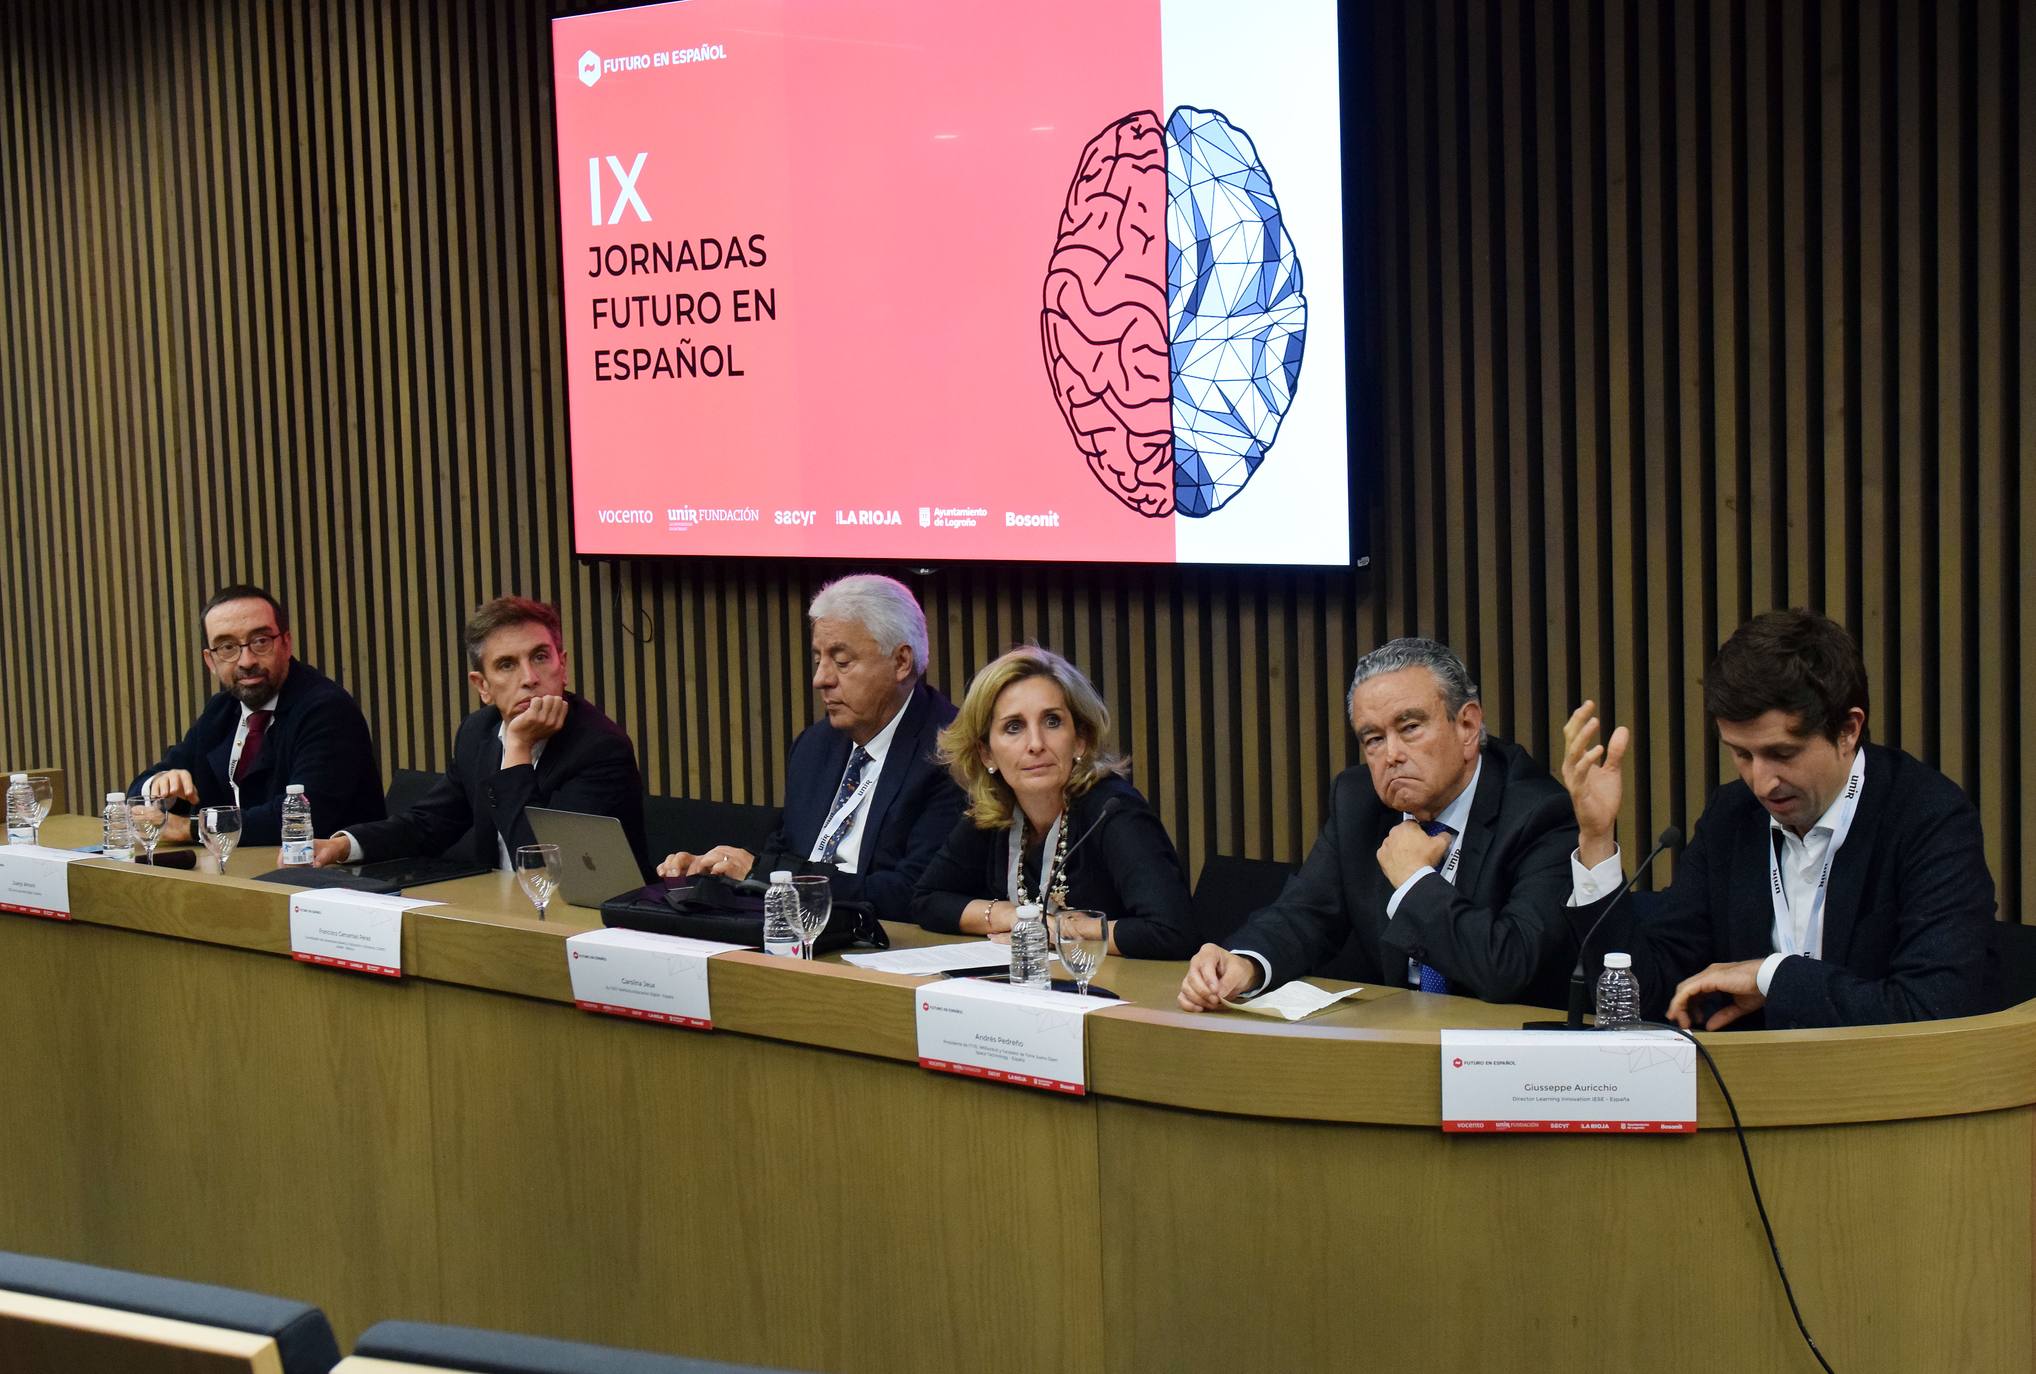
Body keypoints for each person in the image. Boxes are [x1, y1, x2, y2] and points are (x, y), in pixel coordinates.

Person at [1562, 608, 1998, 1030]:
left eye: (1782, 754)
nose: (1762, 782)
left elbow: (1932, 1010)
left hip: (1886, 1092)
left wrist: (1771, 977)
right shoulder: (1731, 817)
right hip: (1753, 1092)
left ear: (1848, 730)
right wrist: (1597, 837)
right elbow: (1649, 991)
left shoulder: (1927, 818)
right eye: (1742, 754)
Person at [1178, 638, 1578, 1011]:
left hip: (1503, 1055)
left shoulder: (1539, 814)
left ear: (1467, 727)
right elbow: (1306, 913)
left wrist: (1415, 880)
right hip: (1397, 1036)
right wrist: (1245, 964)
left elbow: (1507, 967)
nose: (1391, 755)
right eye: (1372, 739)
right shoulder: (1359, 801)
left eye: (1409, 728)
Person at [657, 574, 963, 919]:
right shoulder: (814, 747)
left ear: (901, 662)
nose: (821, 678)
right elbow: (783, 850)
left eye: (842, 662)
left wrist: (766, 875)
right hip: (797, 932)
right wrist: (716, 871)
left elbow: (911, 892)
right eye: (819, 659)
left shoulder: (950, 752)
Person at [313, 596, 648, 874]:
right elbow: (429, 823)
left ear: (564, 667)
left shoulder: (600, 748)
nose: (529, 677)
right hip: (497, 914)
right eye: (507, 665)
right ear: (483, 686)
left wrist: (516, 748)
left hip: (584, 929)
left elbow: (545, 870)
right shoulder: (479, 733)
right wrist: (343, 845)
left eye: (540, 657)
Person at [912, 645, 1198, 959]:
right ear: (986, 753)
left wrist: (1059, 930)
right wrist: (1014, 918)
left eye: (1052, 722)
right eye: (1014, 727)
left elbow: (1174, 931)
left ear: (1080, 739)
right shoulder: (994, 811)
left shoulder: (1113, 810)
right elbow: (927, 899)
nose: (1035, 744)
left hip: (1113, 993)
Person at [135, 583, 384, 848]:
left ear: (286, 644)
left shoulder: (327, 709)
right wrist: (160, 788)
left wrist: (194, 828)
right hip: (242, 873)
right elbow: (140, 789)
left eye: (260, 642)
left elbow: (302, 815)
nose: (246, 661)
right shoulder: (222, 710)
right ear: (210, 661)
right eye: (227, 647)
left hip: (327, 879)